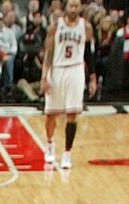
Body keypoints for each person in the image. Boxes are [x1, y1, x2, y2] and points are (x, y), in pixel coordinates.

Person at [43, 0, 89, 169]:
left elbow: (89, 53)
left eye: (77, 6)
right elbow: (49, 52)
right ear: (66, 8)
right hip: (57, 69)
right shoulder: (56, 25)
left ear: (80, 8)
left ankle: (67, 153)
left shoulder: (86, 26)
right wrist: (44, 76)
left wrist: (91, 78)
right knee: (50, 114)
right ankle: (49, 145)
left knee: (72, 114)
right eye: (71, 5)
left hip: (75, 70)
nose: (74, 9)